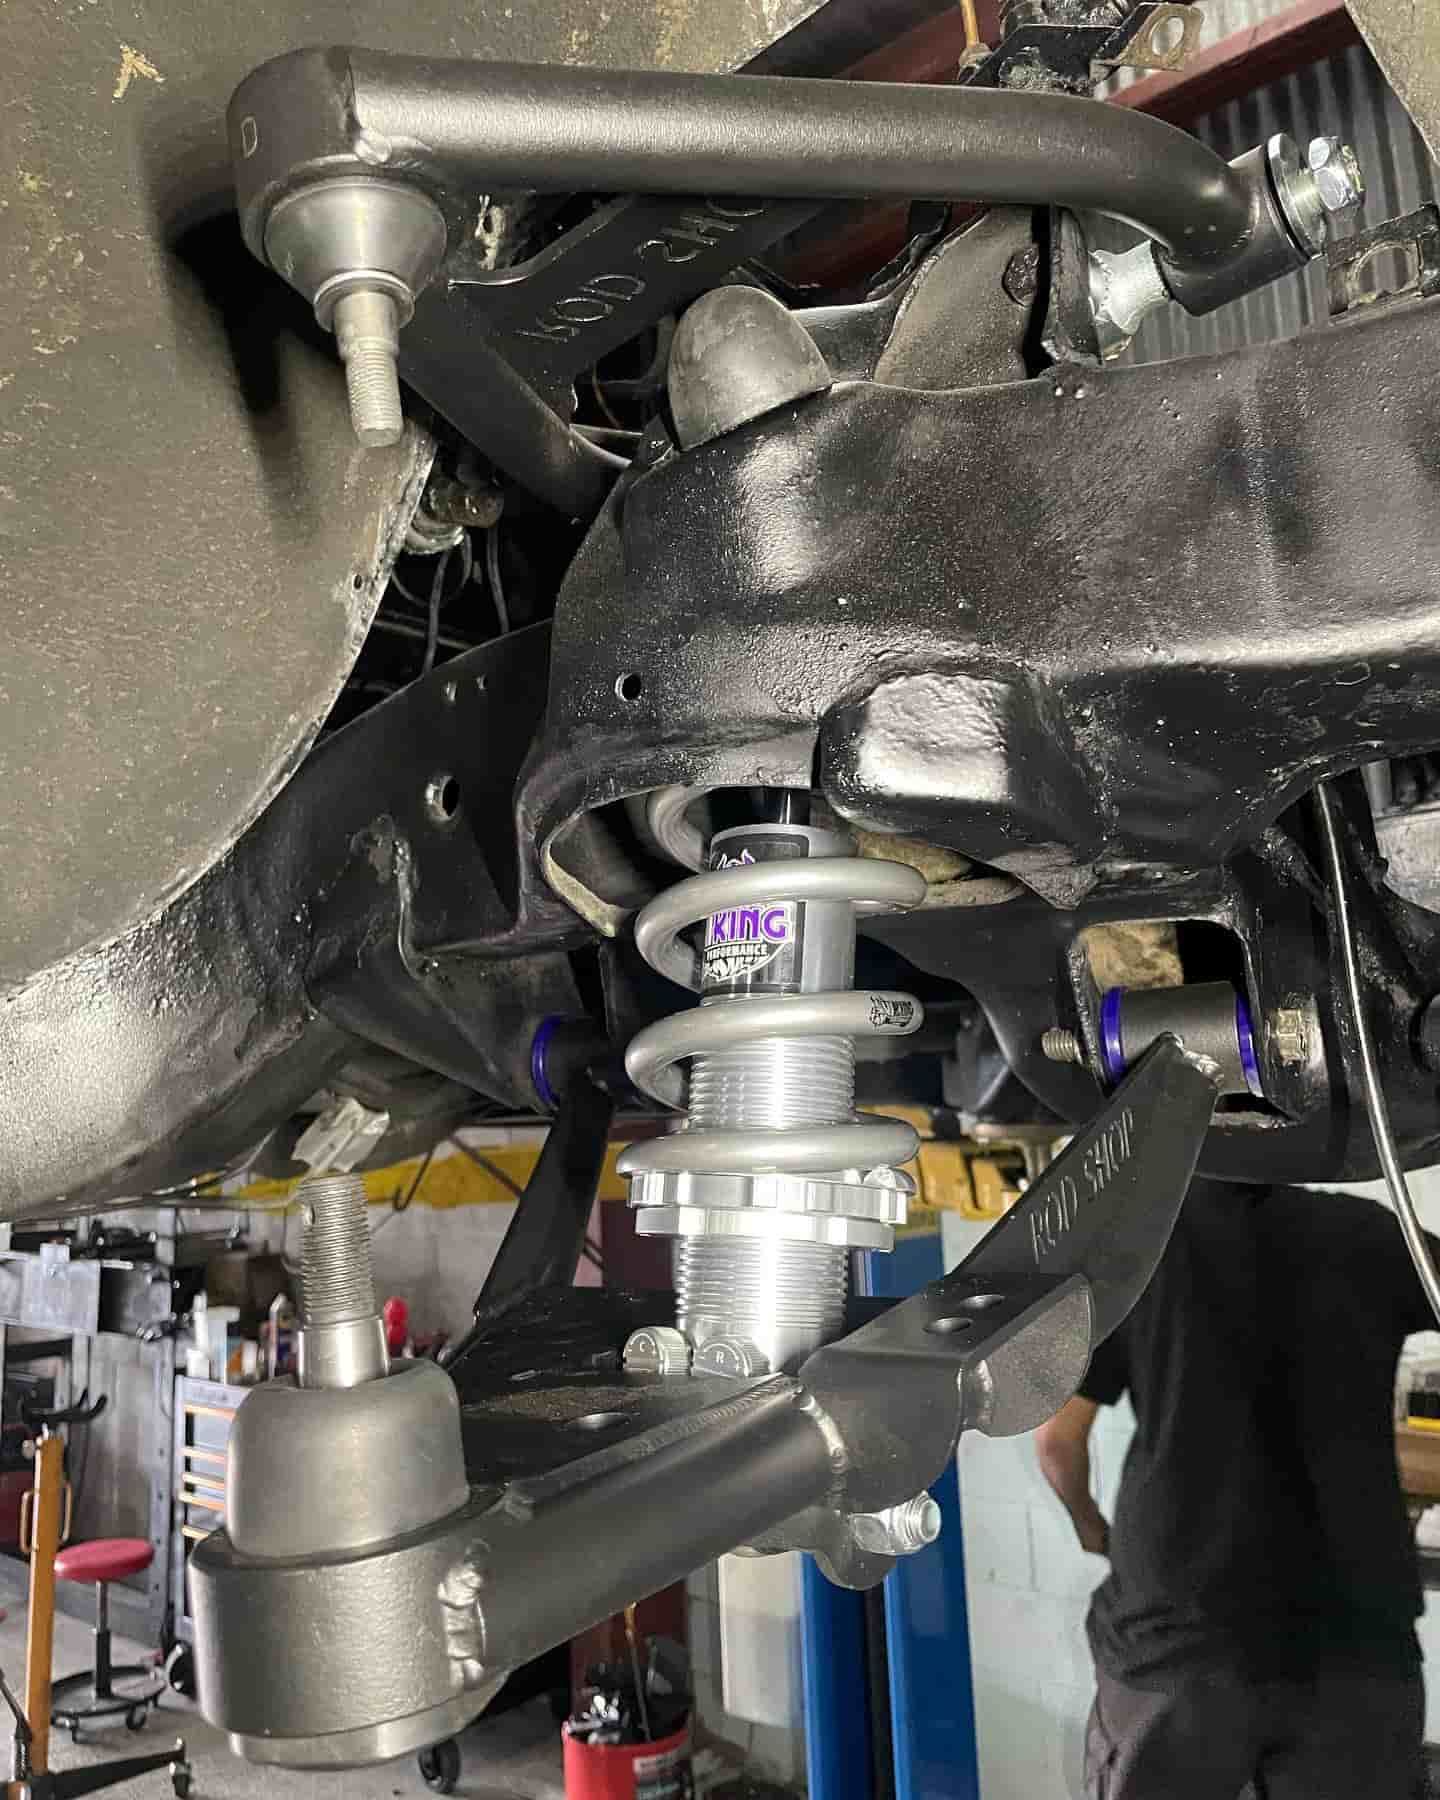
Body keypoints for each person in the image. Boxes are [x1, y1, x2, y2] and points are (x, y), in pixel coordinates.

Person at [1035, 1178, 1435, 1800]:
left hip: (1180, 1633)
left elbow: (1058, 1444)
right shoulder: (1371, 1233)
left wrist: (1093, 1528)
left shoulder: (1135, 1246)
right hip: (1357, 1636)